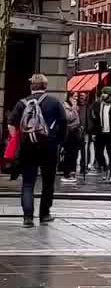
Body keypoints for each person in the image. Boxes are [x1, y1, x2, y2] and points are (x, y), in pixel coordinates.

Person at [9, 73, 67, 227]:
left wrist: (19, 140)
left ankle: (28, 218)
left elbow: (11, 124)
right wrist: (59, 142)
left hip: (28, 148)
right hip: (49, 147)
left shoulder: (21, 103)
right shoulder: (54, 102)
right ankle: (44, 214)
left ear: (31, 87)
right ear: (45, 86)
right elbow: (63, 123)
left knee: (28, 183)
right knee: (48, 182)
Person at [90, 86, 111, 184]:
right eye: (102, 93)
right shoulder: (98, 104)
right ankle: (106, 168)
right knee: (98, 153)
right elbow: (95, 120)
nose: (102, 94)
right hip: (100, 134)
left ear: (110, 95)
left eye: (104, 93)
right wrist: (93, 133)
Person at [61, 93, 82, 184]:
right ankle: (67, 173)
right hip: (69, 133)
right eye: (74, 97)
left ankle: (72, 172)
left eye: (77, 97)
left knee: (74, 153)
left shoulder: (76, 107)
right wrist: (73, 108)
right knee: (68, 154)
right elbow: (68, 118)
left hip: (75, 133)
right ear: (69, 98)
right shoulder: (65, 106)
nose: (76, 99)